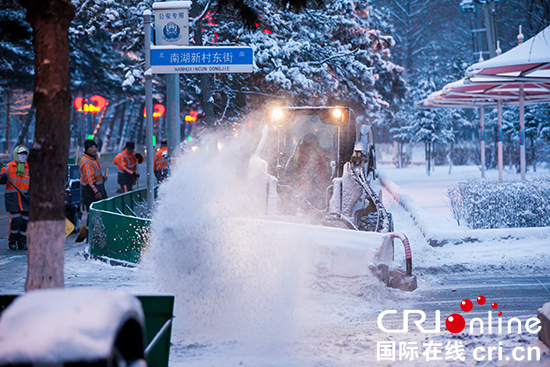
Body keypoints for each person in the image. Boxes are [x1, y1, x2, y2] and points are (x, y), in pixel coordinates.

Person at [0, 145, 30, 251]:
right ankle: (12, 241)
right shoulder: (8, 167)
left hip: (25, 199)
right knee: (16, 220)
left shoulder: (29, 168)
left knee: (25, 221)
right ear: (16, 154)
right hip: (13, 199)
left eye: (24, 154)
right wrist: (2, 178)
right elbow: (1, 180)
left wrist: (30, 194)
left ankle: (22, 242)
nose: (22, 156)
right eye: (20, 154)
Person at [79, 139, 106, 212]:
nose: (93, 149)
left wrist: (102, 178)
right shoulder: (87, 162)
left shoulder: (93, 159)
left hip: (96, 189)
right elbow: (89, 181)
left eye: (94, 147)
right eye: (91, 147)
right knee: (93, 212)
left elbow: (95, 174)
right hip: (90, 192)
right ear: (87, 149)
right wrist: (96, 192)